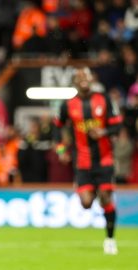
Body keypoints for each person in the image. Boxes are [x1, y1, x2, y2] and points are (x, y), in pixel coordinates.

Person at [54, 67, 122, 255]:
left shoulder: (104, 99)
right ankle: (94, 199)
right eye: (80, 76)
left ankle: (110, 240)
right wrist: (61, 149)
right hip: (82, 162)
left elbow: (117, 126)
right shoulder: (68, 105)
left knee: (106, 197)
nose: (84, 78)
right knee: (86, 203)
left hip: (105, 160)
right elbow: (57, 128)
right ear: (75, 81)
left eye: (87, 75)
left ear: (92, 79)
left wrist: (104, 132)